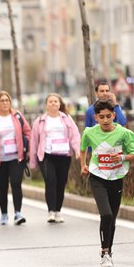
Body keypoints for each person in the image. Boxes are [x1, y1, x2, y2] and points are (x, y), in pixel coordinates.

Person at [80, 100, 134, 267]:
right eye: (101, 117)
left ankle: (109, 252)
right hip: (97, 177)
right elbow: (83, 147)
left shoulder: (124, 133)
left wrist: (122, 158)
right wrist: (83, 164)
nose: (105, 120)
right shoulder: (90, 132)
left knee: (112, 219)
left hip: (116, 178)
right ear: (96, 117)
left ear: (114, 115)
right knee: (106, 214)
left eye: (109, 116)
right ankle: (104, 253)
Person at [29, 93, 81, 223]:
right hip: (47, 156)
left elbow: (75, 135)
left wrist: (77, 150)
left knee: (61, 183)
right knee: (51, 181)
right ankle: (51, 211)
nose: (53, 103)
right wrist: (33, 162)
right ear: (46, 105)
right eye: (50, 101)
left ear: (59, 104)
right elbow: (34, 141)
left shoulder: (67, 119)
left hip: (64, 155)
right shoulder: (40, 121)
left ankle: (58, 211)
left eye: (55, 101)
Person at [0, 91, 31, 226]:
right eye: (2, 101)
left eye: (7, 100)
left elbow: (27, 131)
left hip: (16, 157)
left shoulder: (17, 116)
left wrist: (29, 149)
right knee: (2, 187)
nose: (5, 103)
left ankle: (18, 213)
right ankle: (4, 214)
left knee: (16, 183)